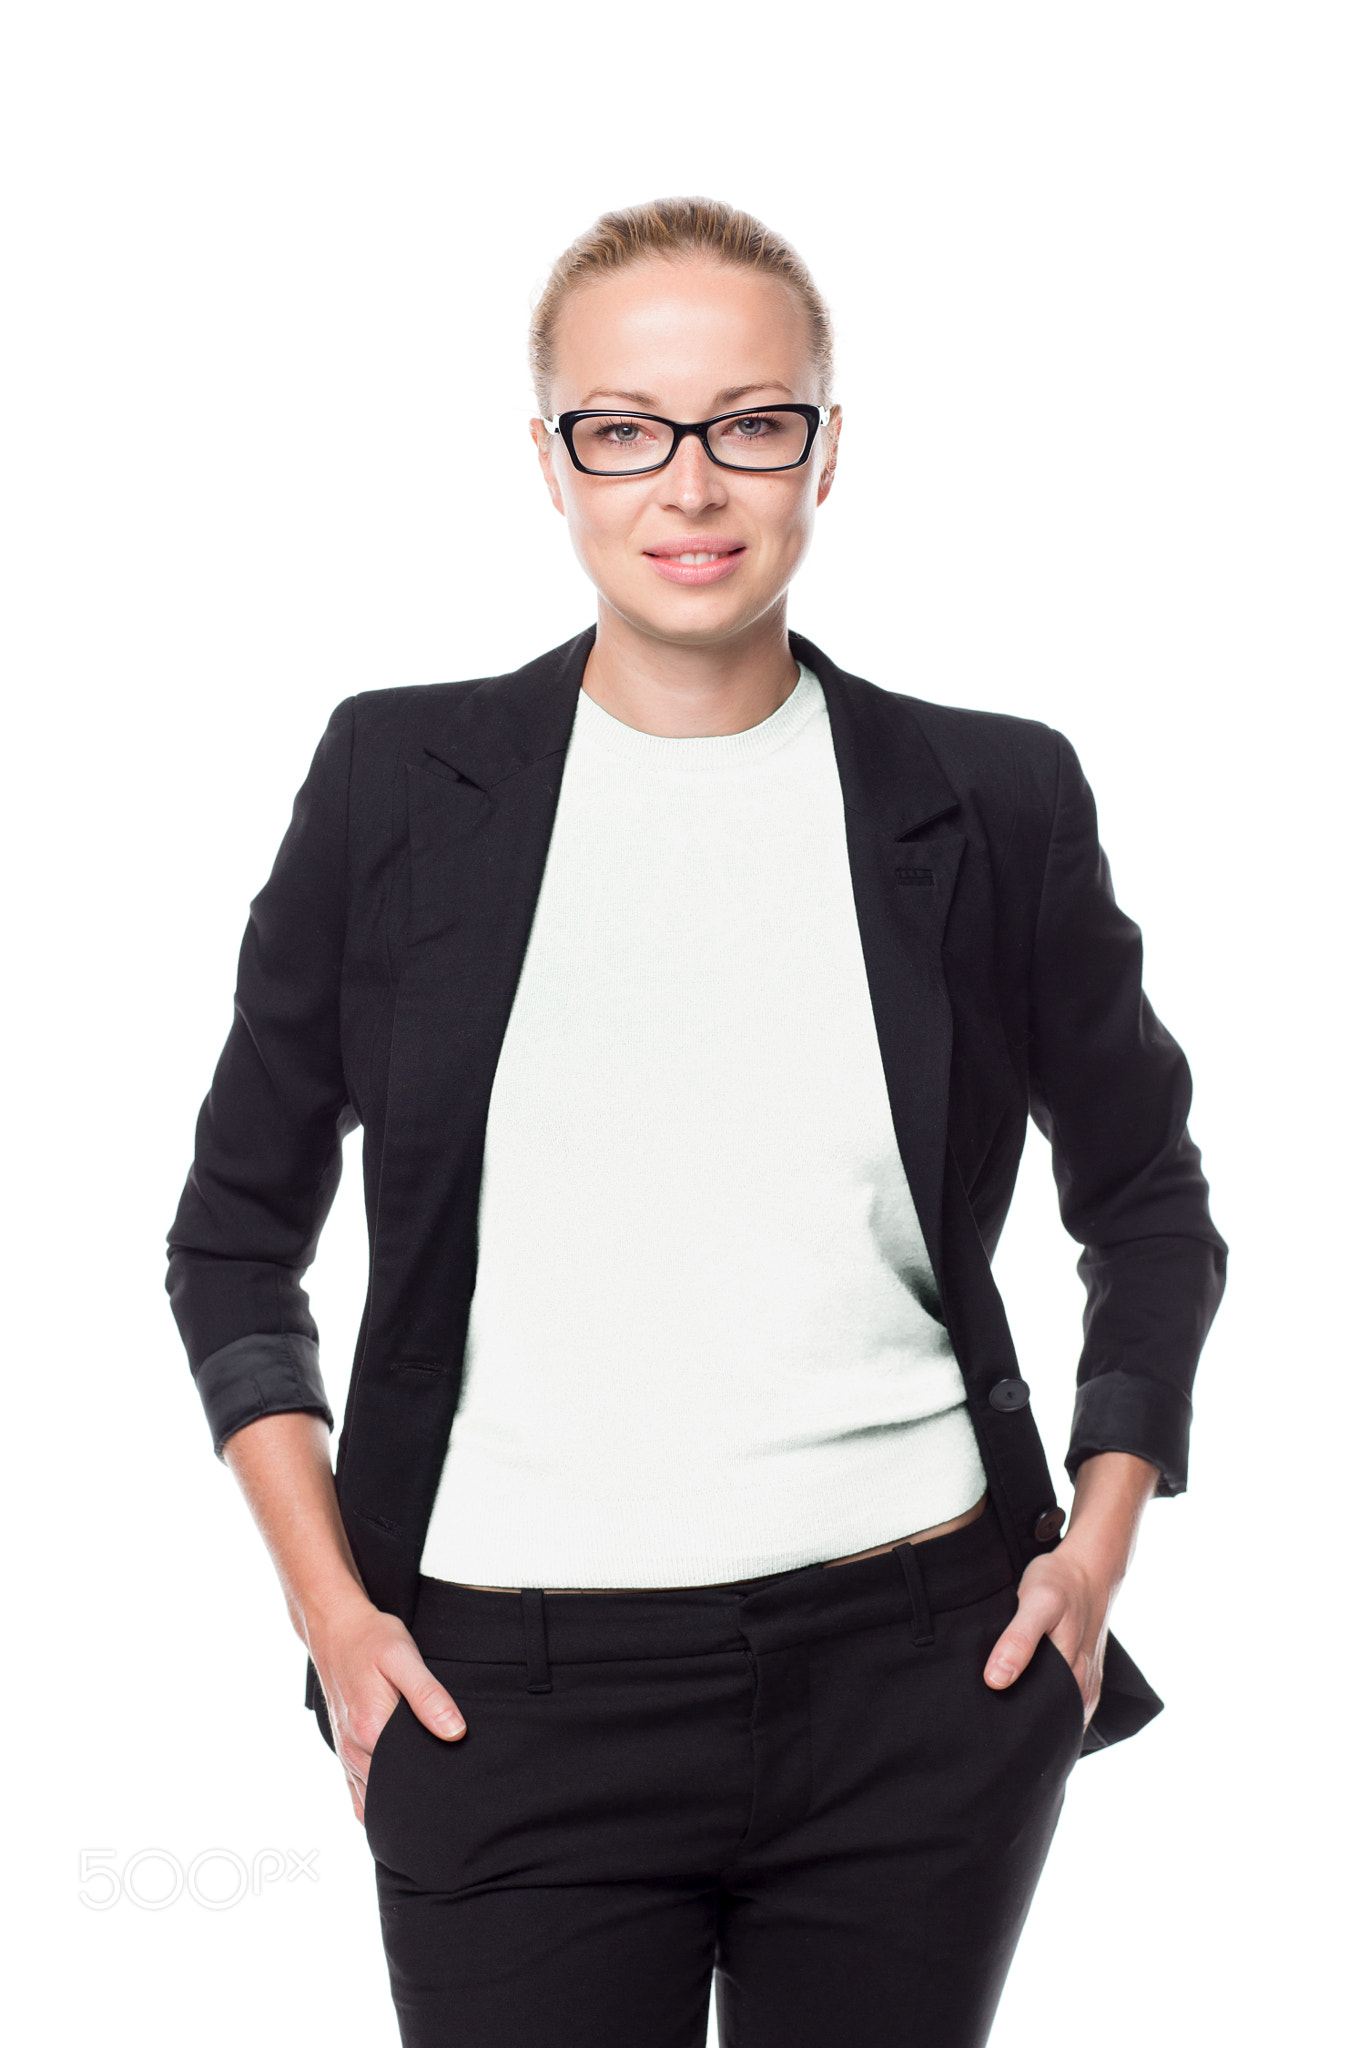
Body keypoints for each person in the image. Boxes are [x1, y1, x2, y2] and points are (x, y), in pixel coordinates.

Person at [165, 196, 1227, 2048]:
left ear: (824, 450)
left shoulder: (991, 795)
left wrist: (1094, 1543)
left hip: (923, 1663)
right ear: (552, 460)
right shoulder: (396, 781)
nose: (692, 482)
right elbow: (233, 1238)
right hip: (500, 1688)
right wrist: (332, 1614)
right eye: (625, 426)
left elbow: (1145, 1202)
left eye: (753, 420)